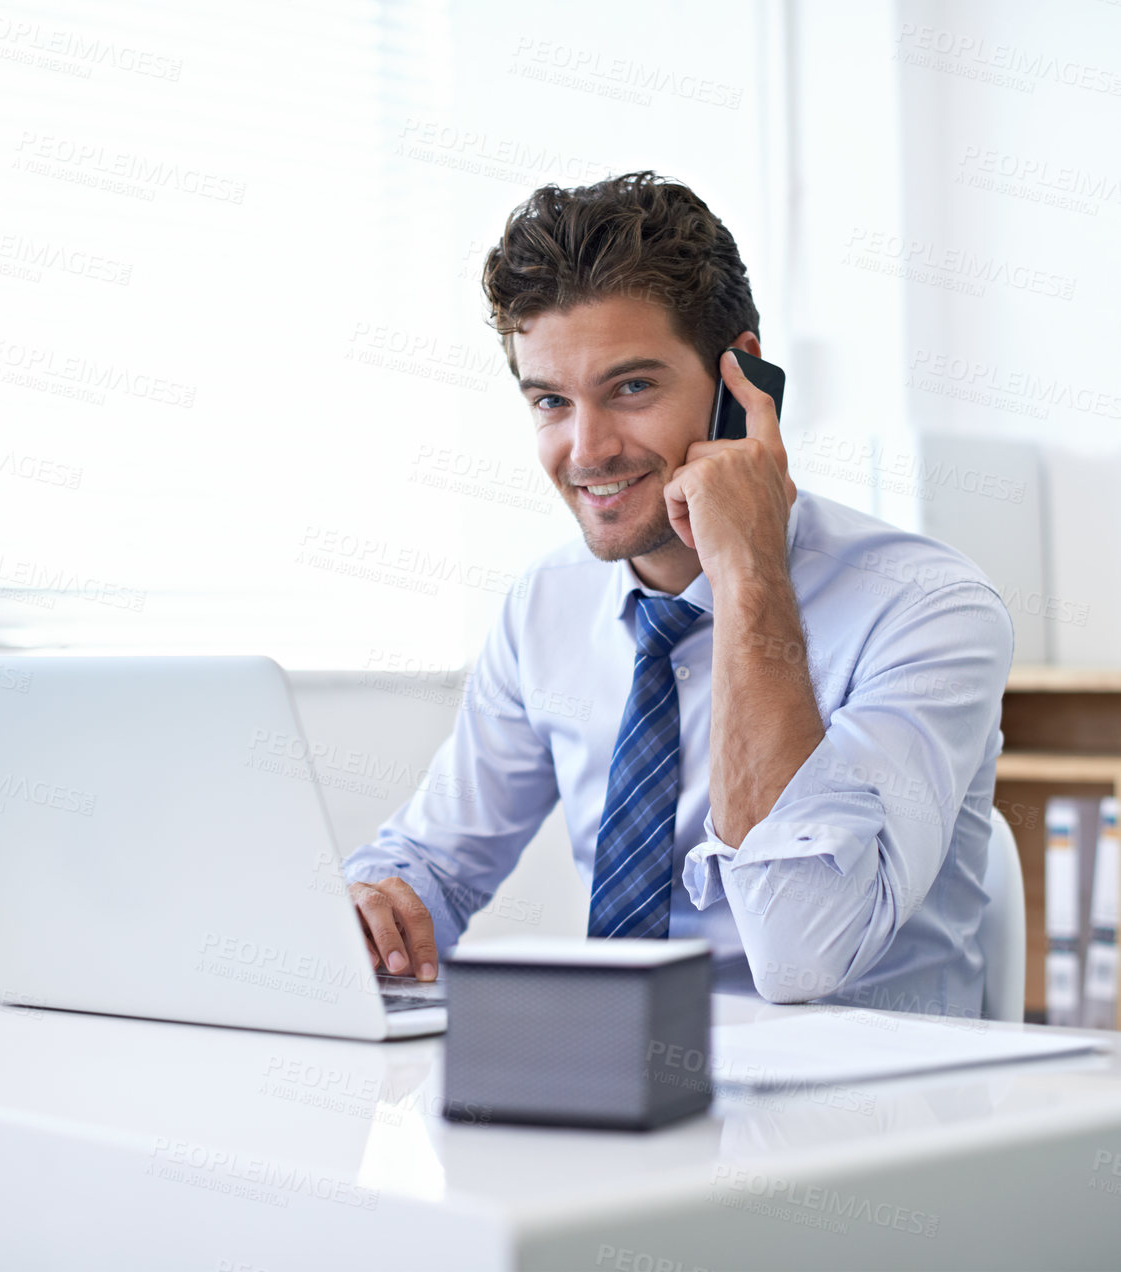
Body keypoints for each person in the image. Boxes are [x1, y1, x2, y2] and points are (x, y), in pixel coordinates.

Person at [342, 171, 1014, 1017]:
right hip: (613, 1093)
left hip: (859, 1112)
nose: (585, 451)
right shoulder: (545, 607)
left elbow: (802, 951)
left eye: (630, 388)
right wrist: (373, 905)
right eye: (551, 400)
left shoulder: (923, 606)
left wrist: (747, 578)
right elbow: (434, 867)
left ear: (743, 381)